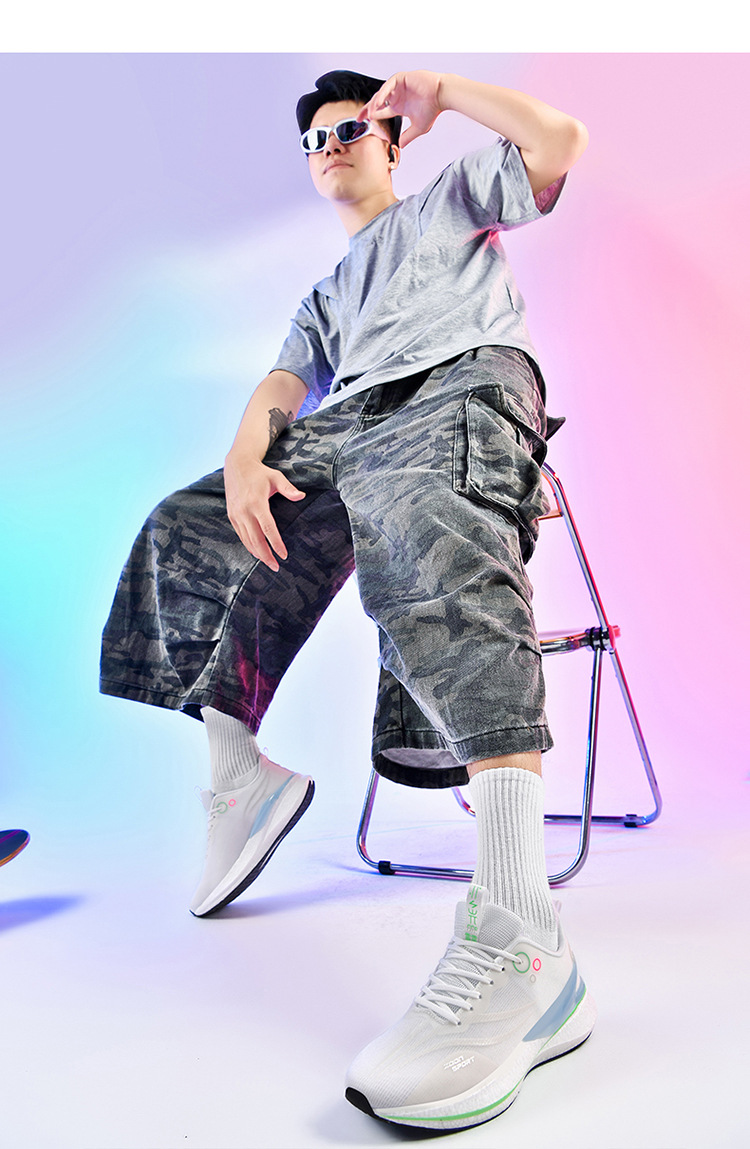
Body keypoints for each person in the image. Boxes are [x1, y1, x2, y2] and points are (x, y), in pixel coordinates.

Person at [100, 68, 595, 1131]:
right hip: (349, 421)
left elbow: (558, 143)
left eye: (351, 127)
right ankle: (240, 775)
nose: (331, 144)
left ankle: (524, 933)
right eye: (315, 138)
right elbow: (285, 386)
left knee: (423, 524)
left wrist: (442, 90)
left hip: (461, 381)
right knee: (188, 525)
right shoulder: (326, 295)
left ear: (390, 142)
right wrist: (245, 457)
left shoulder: (448, 201)